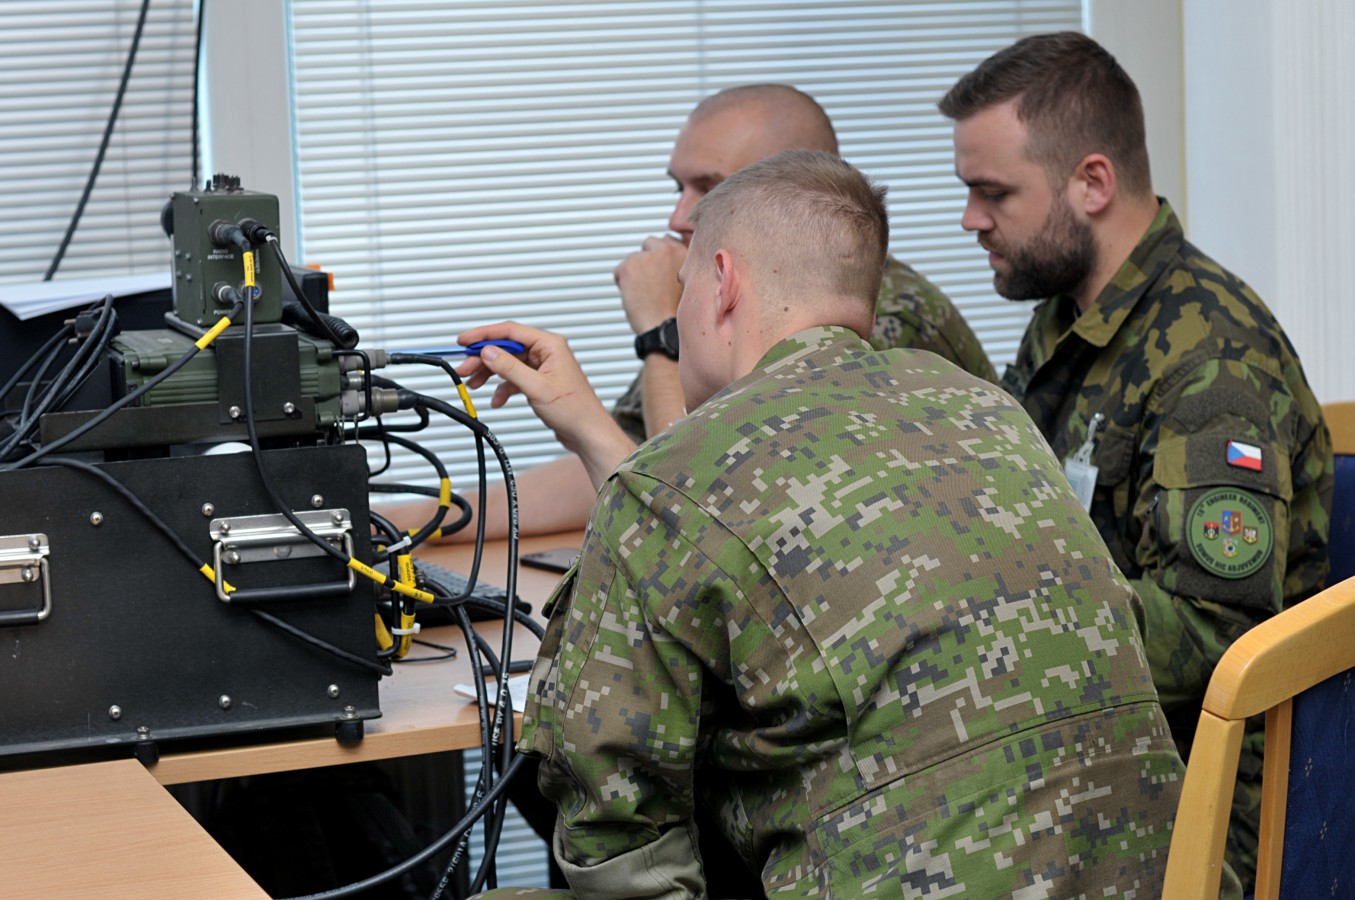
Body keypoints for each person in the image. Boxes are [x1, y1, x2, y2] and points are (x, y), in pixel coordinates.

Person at [461, 150, 1193, 898]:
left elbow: (610, 810)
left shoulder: (671, 479)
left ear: (723, 283)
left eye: (683, 290)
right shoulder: (988, 410)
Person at [938, 31, 1333, 891]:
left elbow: (1214, 632)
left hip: (1202, 796)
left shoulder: (1211, 358)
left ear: (1091, 183)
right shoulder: (1067, 319)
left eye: (991, 192)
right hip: (1097, 736)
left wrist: (1001, 631)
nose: (970, 219)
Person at [395, 84, 994, 543]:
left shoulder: (869, 316)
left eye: (708, 187)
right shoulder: (723, 303)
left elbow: (695, 499)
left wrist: (659, 334)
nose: (679, 217)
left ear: (790, 190)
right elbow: (630, 460)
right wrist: (413, 520)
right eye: (677, 186)